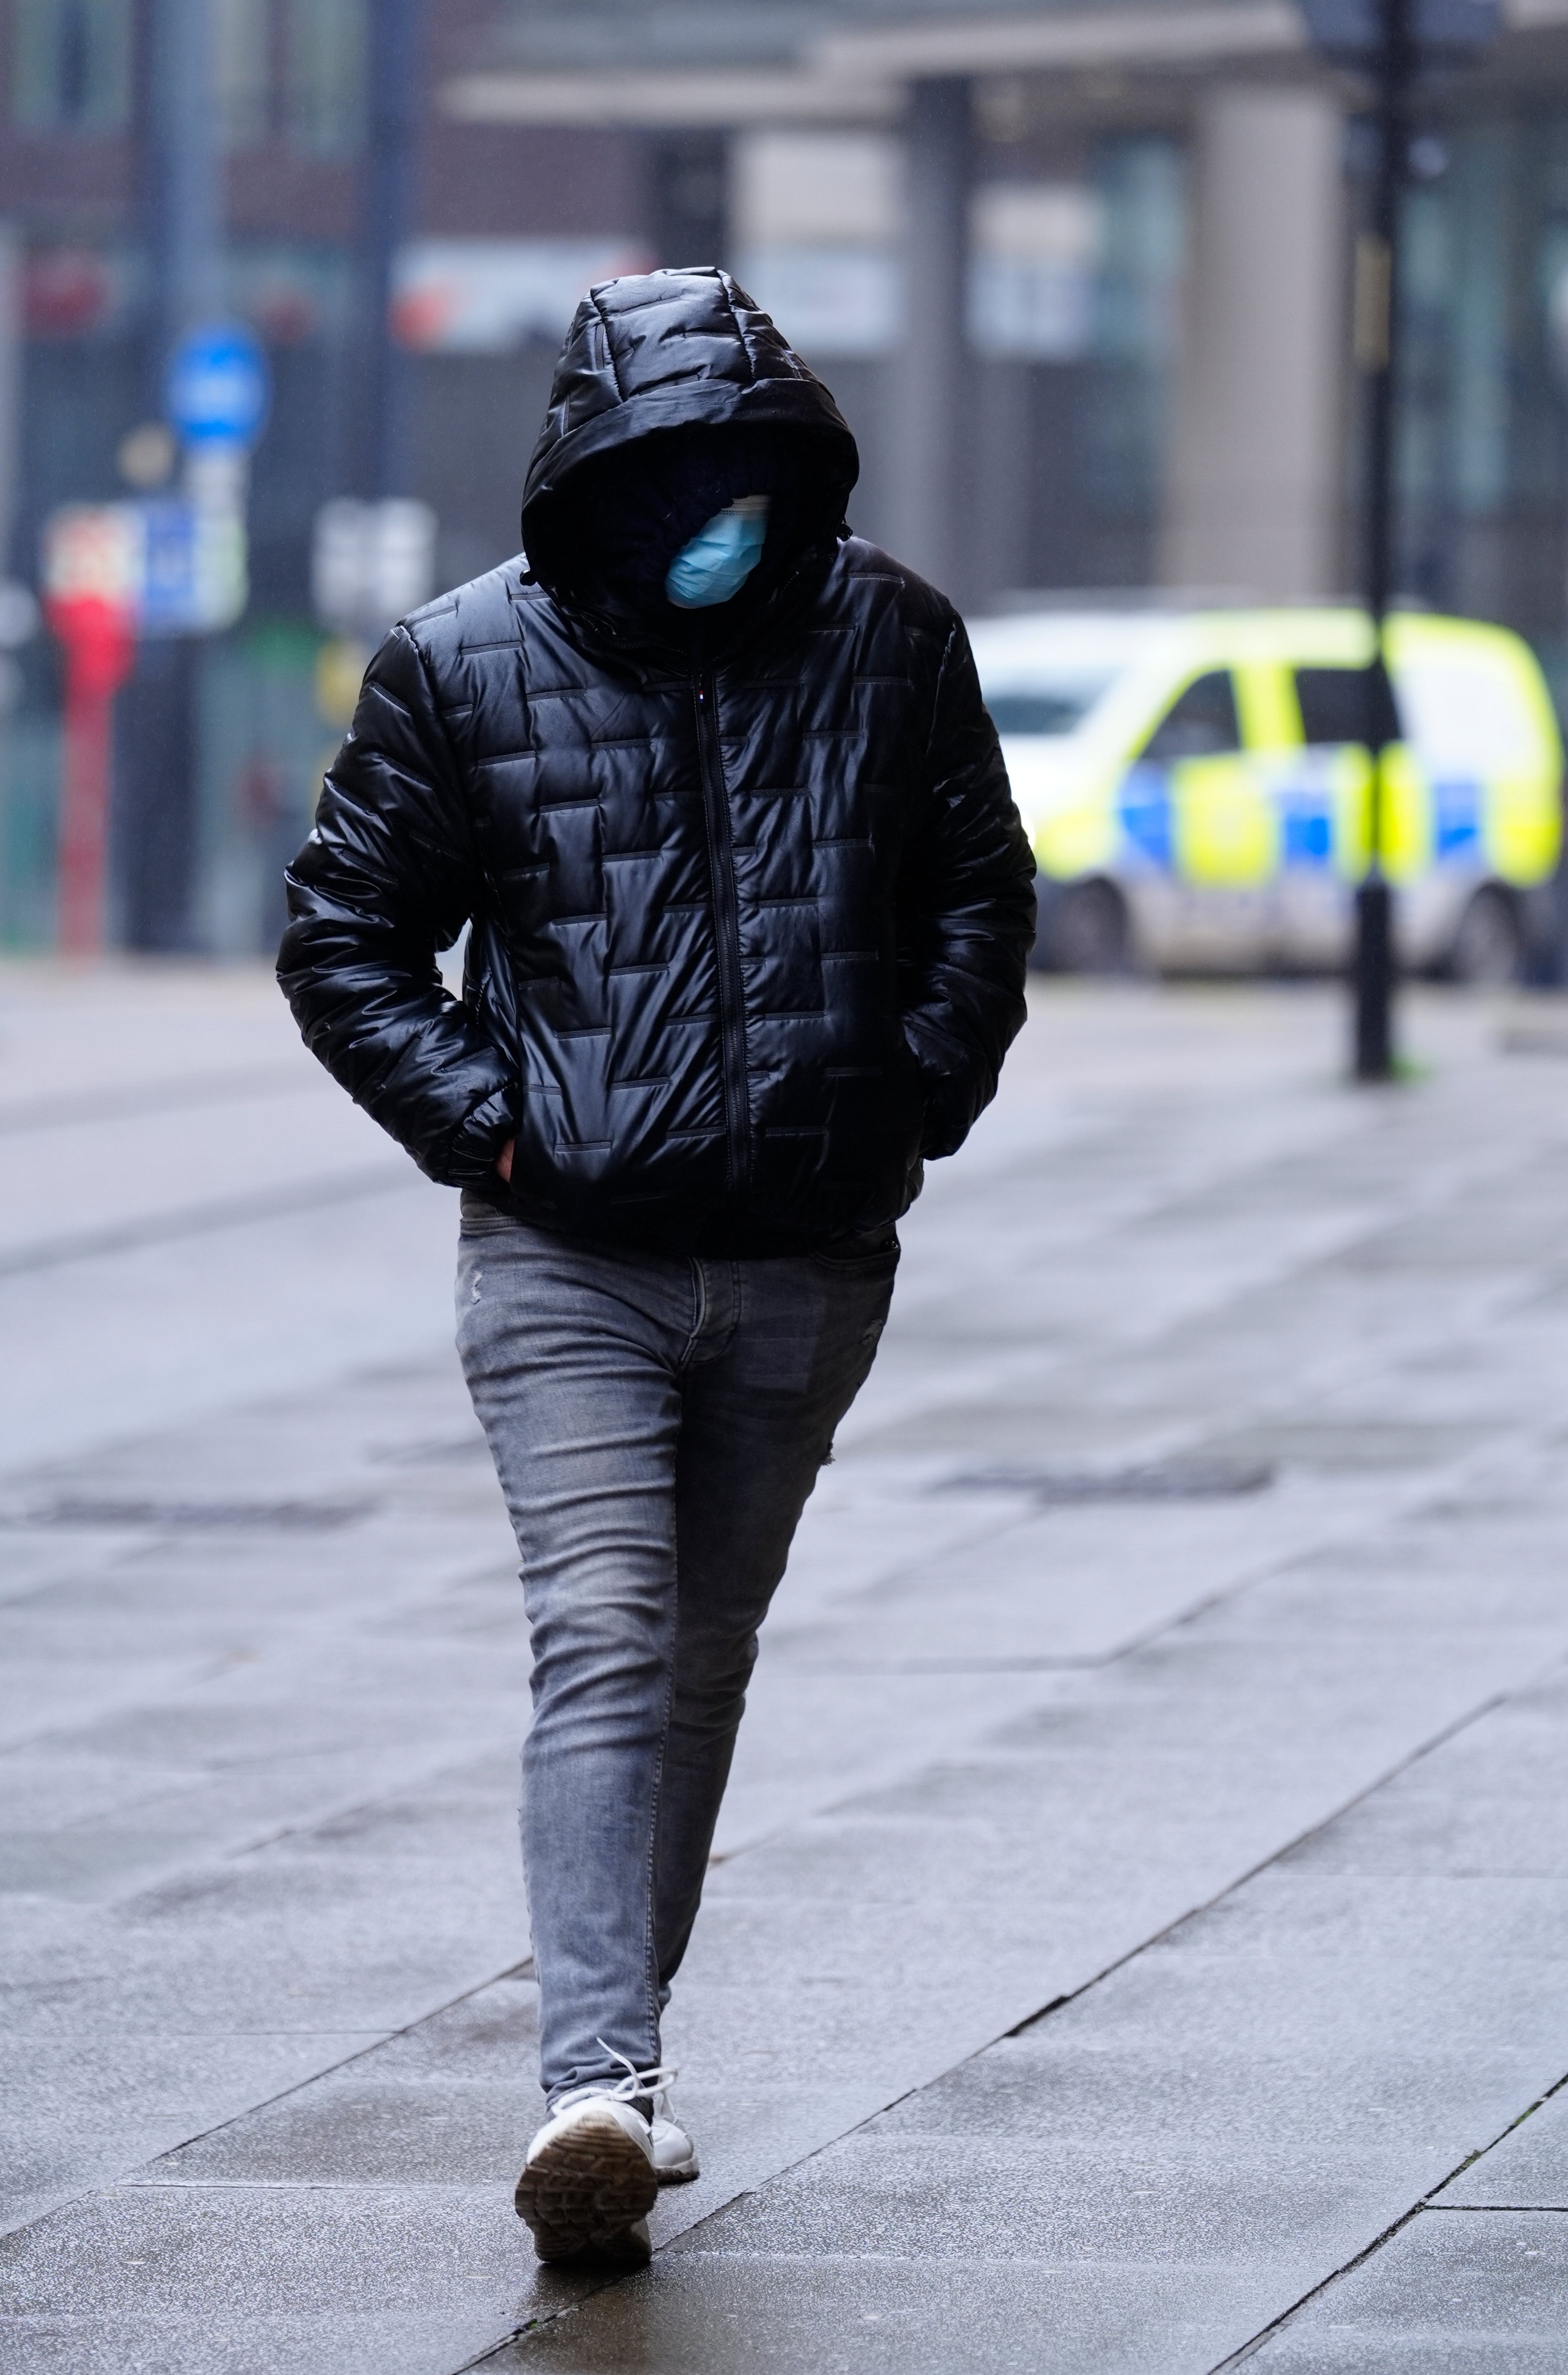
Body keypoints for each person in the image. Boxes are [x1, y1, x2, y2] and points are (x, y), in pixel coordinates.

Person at [278, 266, 1035, 2269]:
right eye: (680, 480)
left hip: (803, 1257)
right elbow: (347, 945)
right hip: (566, 1258)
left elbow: (976, 883)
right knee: (605, 1634)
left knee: (701, 1653)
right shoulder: (460, 670)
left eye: (753, 479)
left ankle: (628, 2064)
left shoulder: (885, 637)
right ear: (597, 477)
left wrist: (911, 1097)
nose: (726, 519)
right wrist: (490, 1122)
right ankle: (591, 2083)